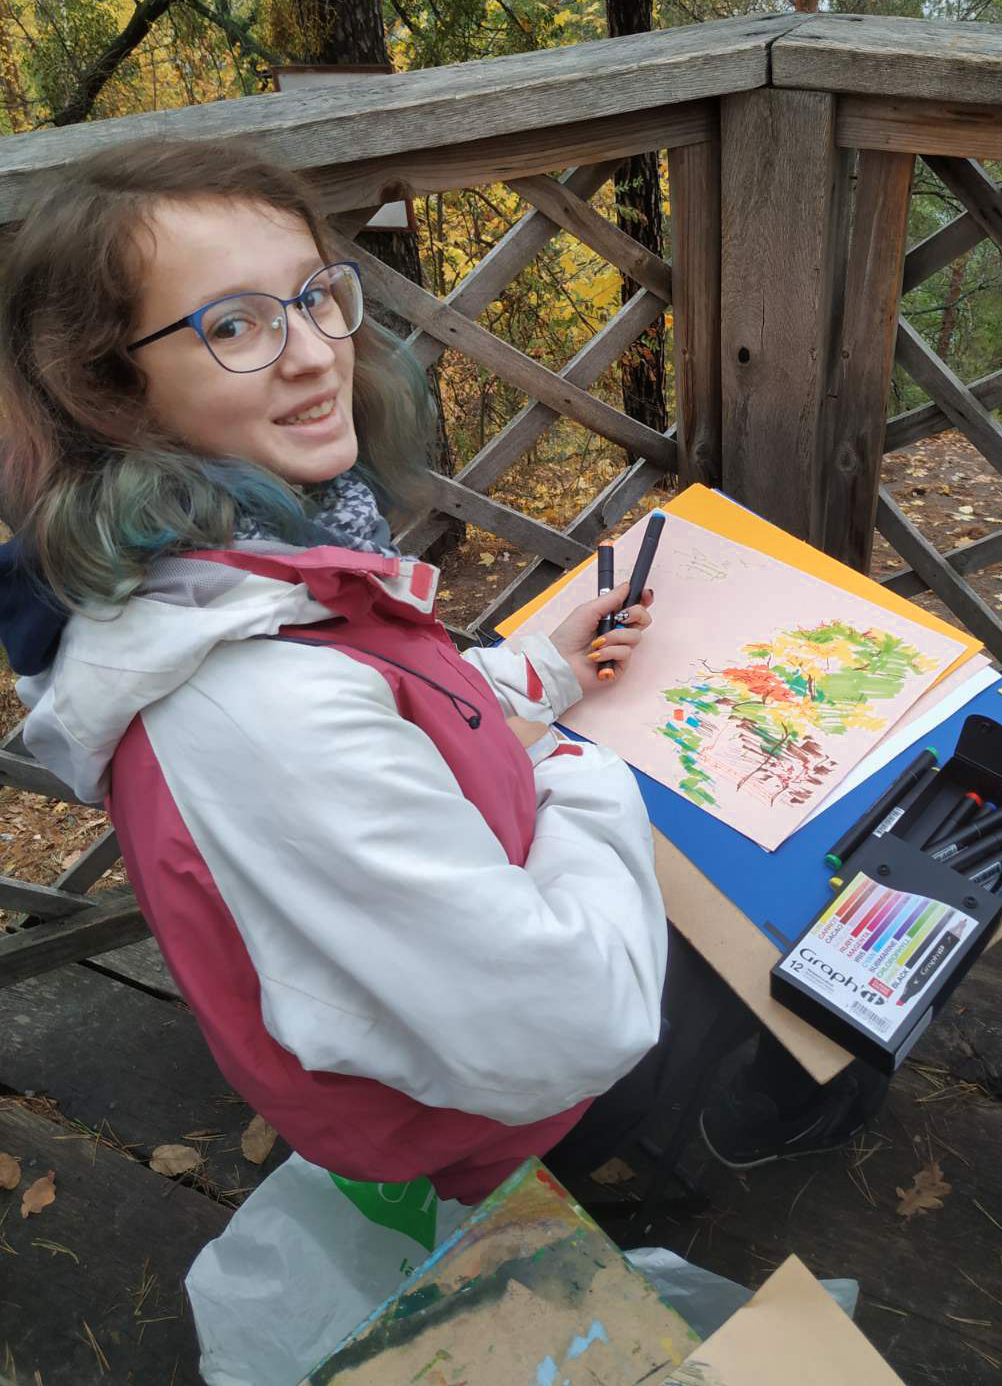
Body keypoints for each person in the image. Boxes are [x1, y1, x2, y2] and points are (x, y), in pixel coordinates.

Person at [0, 138, 884, 1372]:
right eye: (233, 325)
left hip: (422, 1018)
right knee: (813, 926)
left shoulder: (220, 579)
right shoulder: (254, 702)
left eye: (315, 295)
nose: (314, 352)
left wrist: (543, 675)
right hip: (470, 1115)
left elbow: (396, 711)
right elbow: (574, 1023)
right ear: (109, 388)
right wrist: (580, 766)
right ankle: (736, 1134)